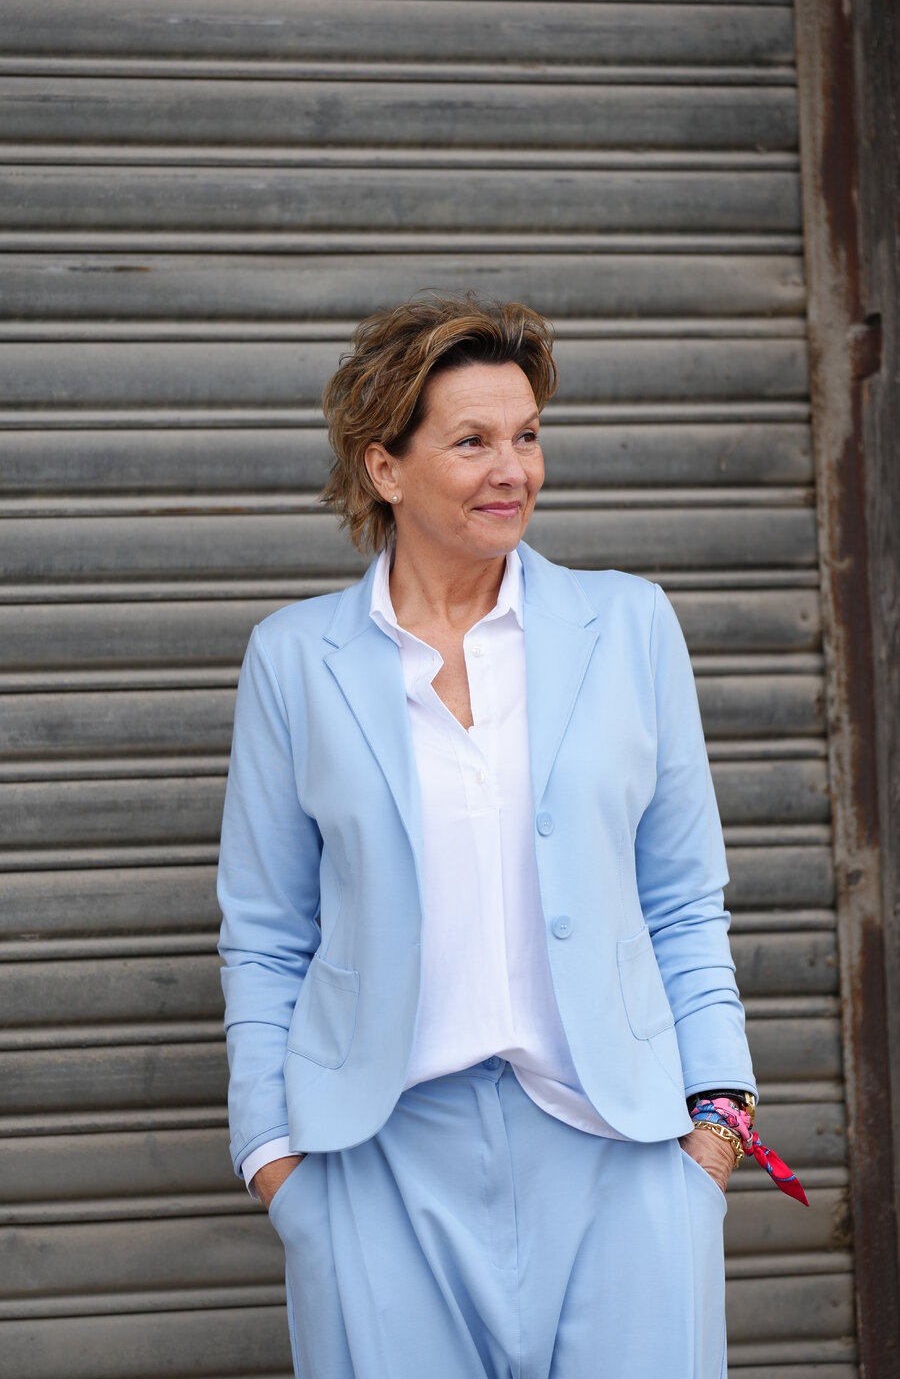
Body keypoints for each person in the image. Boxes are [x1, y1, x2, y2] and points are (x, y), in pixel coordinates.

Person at [217, 292, 805, 1379]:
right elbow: (264, 931)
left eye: (528, 436)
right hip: (380, 1163)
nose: (514, 470)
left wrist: (715, 1127)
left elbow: (683, 897)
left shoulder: (629, 625)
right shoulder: (294, 660)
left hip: (623, 1149)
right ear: (385, 467)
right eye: (473, 441)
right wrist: (276, 1167)